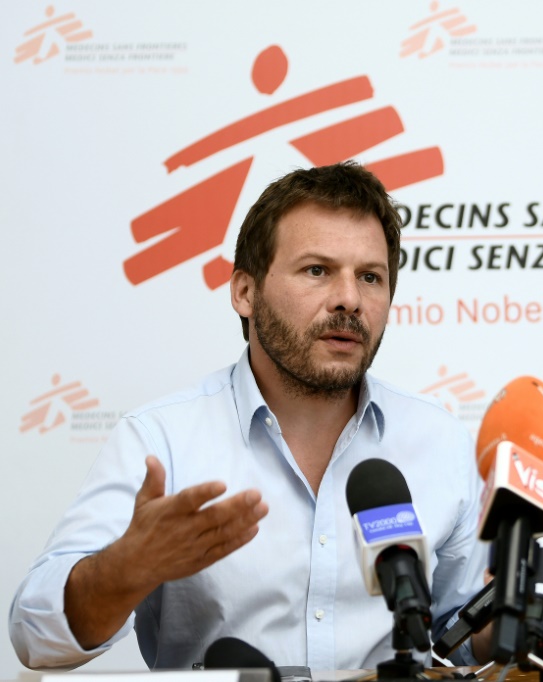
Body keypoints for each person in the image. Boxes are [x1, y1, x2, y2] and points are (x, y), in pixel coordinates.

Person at [9, 162, 489, 671]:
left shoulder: (438, 440)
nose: (350, 299)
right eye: (317, 270)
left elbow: (456, 638)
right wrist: (126, 568)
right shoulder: (161, 441)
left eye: (370, 277)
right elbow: (36, 637)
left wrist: (512, 619)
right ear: (245, 292)